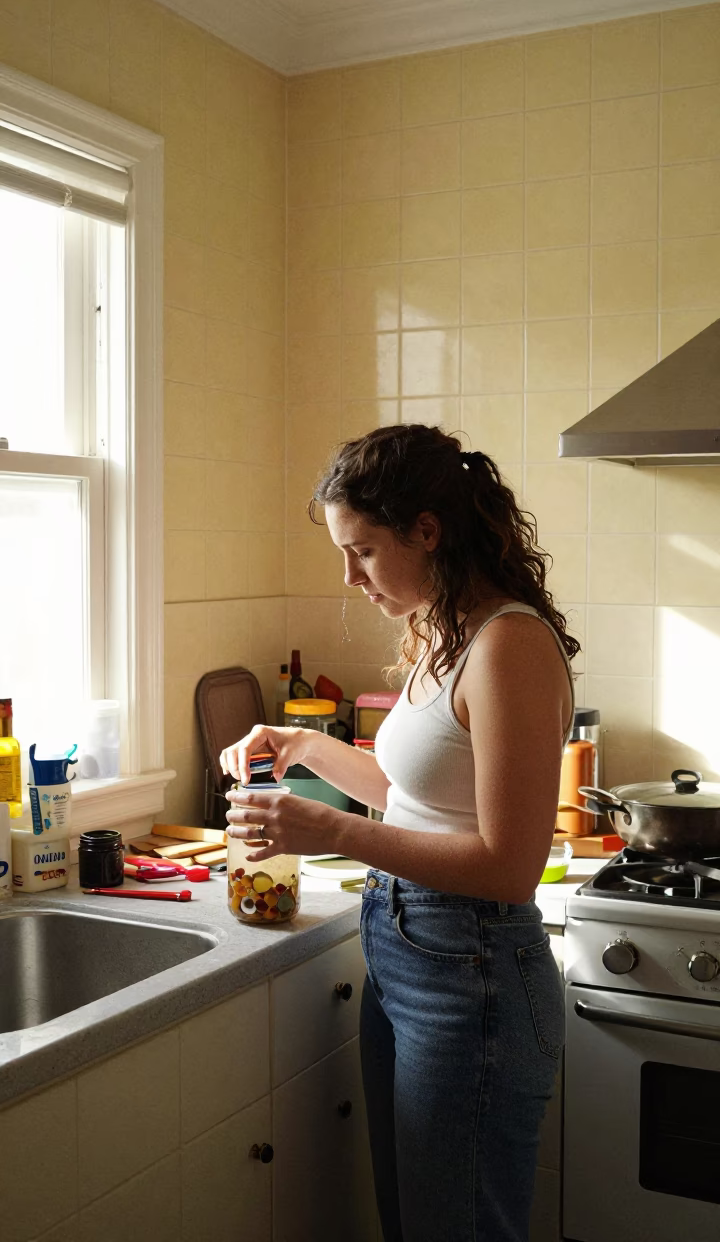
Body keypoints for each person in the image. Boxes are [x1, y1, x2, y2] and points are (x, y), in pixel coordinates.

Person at [221, 424, 577, 1242]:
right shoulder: (441, 630)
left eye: (365, 552)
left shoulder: (508, 644)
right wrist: (304, 745)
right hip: (409, 951)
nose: (350, 578)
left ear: (427, 530)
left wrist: (330, 833)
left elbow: (509, 865)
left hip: (474, 970)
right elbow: (416, 798)